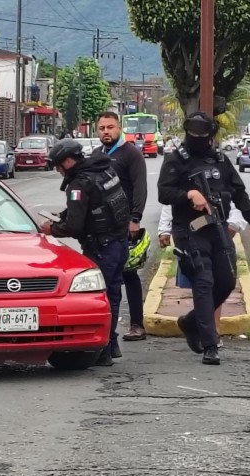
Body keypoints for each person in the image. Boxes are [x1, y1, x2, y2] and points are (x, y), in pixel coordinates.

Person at [157, 111, 250, 366]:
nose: (198, 139)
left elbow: (238, 191)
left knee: (226, 281)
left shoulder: (220, 159)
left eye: (202, 135)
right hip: (189, 230)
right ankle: (210, 344)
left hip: (217, 227)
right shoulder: (176, 159)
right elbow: (164, 192)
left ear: (210, 135)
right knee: (203, 281)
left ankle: (190, 321)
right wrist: (189, 194)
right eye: (193, 134)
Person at [40, 138, 130, 366]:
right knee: (112, 296)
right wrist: (65, 214)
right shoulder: (104, 171)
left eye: (58, 166)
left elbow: (74, 226)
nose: (58, 171)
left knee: (97, 298)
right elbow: (99, 205)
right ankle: (110, 346)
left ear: (68, 161)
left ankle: (102, 351)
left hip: (101, 248)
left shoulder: (79, 185)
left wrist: (52, 229)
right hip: (119, 244)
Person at [94, 111, 148, 345]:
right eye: (102, 128)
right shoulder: (97, 155)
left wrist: (135, 218)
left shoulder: (131, 154)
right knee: (104, 278)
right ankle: (104, 330)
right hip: (101, 229)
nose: (106, 132)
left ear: (119, 128)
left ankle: (137, 324)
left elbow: (140, 187)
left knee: (128, 273)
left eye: (110, 127)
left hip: (125, 225)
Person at [158, 203, 247, 335]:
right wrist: (164, 230)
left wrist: (234, 224)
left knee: (220, 283)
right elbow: (170, 201)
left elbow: (235, 200)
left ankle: (207, 327)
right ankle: (206, 330)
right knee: (202, 281)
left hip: (218, 234)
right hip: (190, 235)